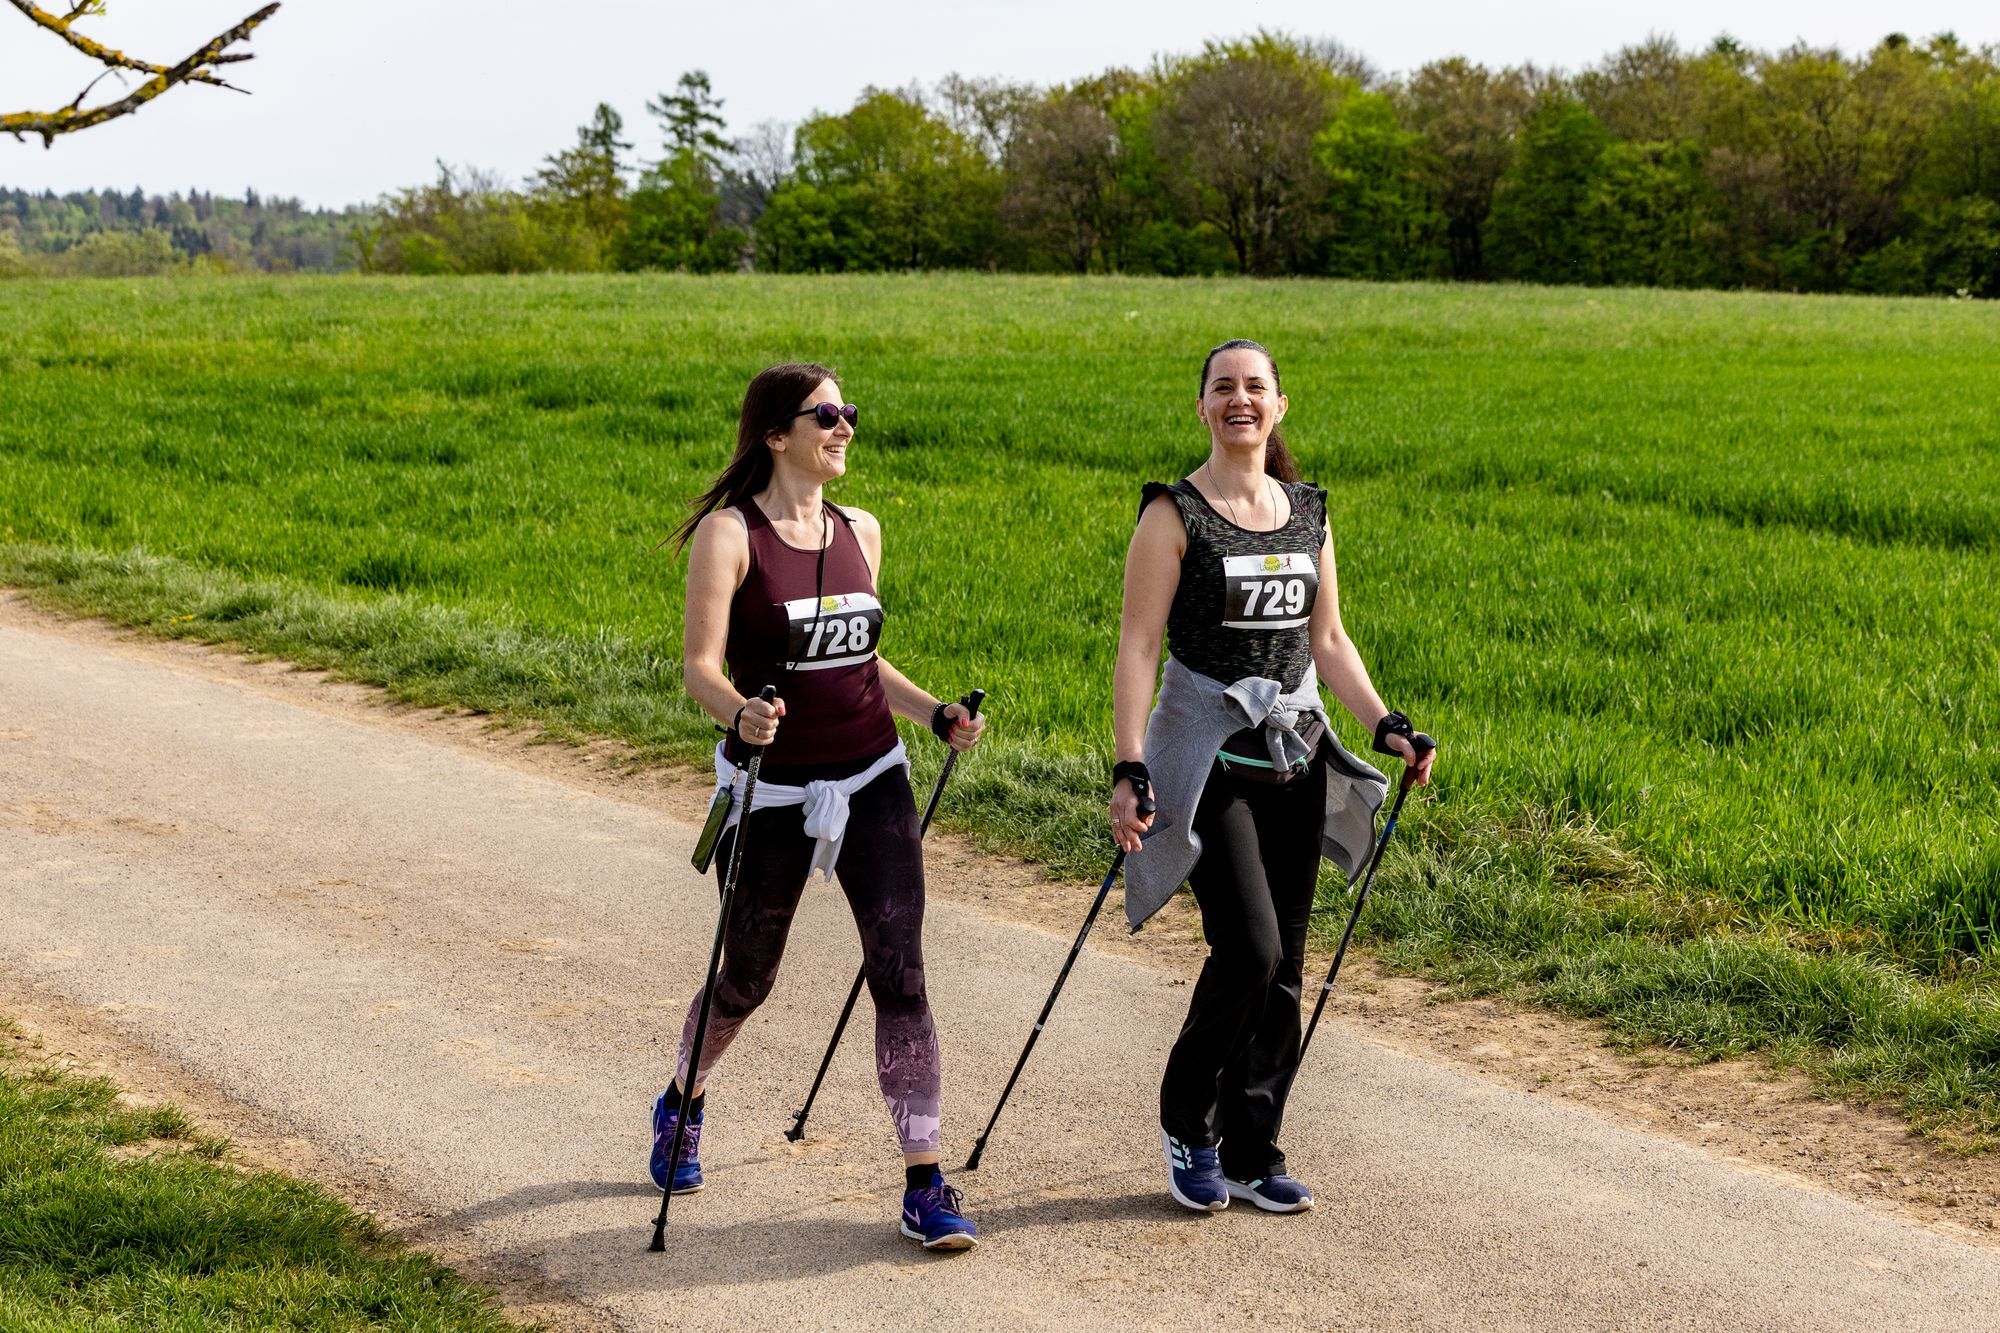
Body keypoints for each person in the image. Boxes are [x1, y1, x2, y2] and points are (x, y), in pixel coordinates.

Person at [655, 362, 985, 1251]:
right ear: (775, 434)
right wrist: (741, 713)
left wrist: (935, 712)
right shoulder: (731, 535)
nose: (845, 427)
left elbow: (859, 659)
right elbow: (700, 667)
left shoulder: (861, 530)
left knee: (901, 971)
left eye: (849, 413)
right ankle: (682, 1099)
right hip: (771, 788)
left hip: (873, 772)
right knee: (748, 977)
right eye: (826, 415)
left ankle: (925, 1180)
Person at [1109, 338, 1437, 1215]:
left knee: (1286, 964)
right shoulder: (1173, 514)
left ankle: (1254, 1147)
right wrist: (1129, 759)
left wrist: (1385, 723)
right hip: (1211, 758)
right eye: (1224, 388)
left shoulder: (1307, 511)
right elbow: (1140, 645)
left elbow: (1328, 641)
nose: (1240, 400)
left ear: (1279, 405)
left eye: (1256, 387)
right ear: (1203, 407)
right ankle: (1189, 1122)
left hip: (1294, 754)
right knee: (1248, 948)